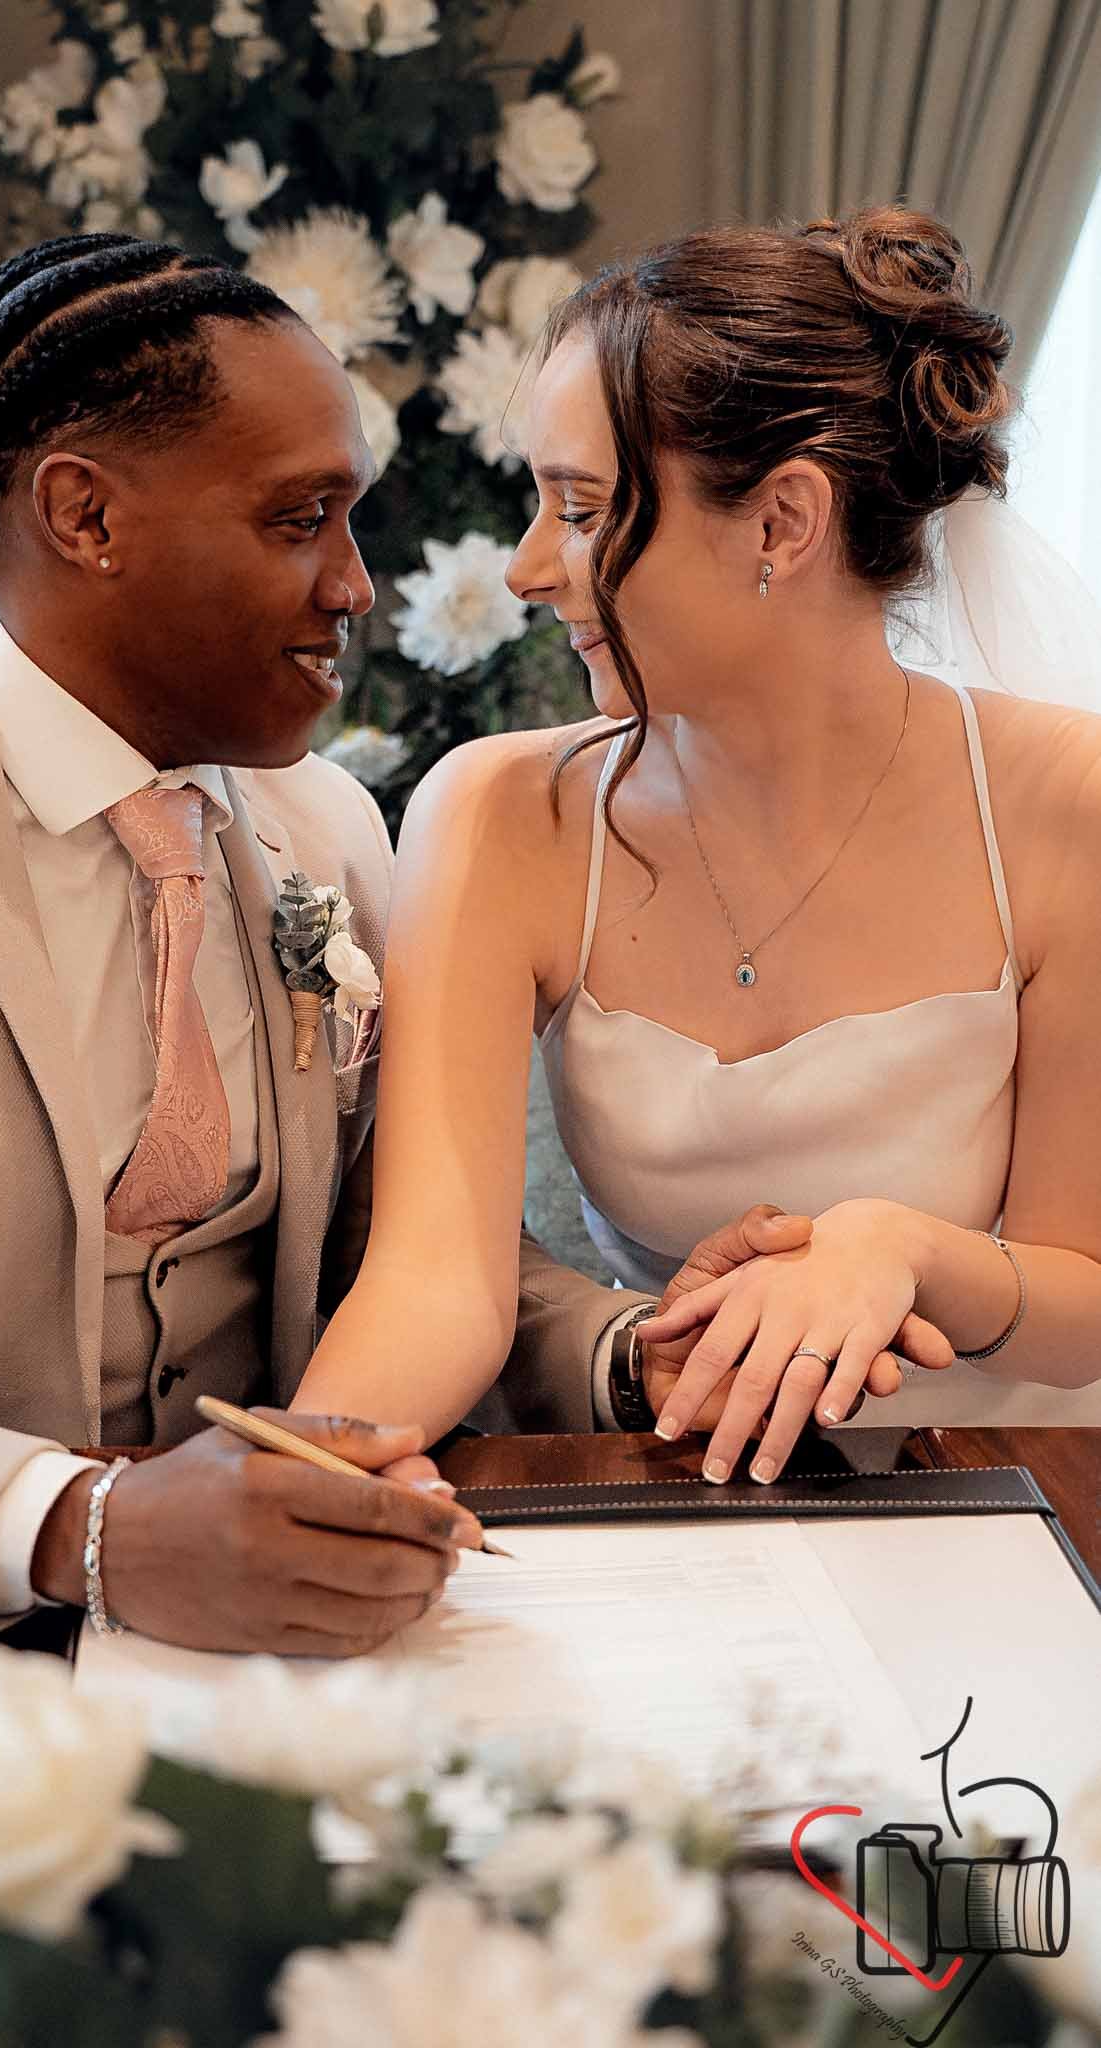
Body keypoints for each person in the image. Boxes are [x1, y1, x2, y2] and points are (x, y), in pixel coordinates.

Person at [0, 234, 797, 1656]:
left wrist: (621, 1351)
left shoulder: (327, 825)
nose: (357, 587)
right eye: (301, 519)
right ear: (84, 517)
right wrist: (76, 1525)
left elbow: (395, 1242)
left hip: (283, 1659)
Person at [290, 206, 1101, 1482]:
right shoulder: (502, 814)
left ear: (782, 523)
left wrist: (901, 1246)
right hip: (675, 1479)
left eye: (580, 507)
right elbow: (435, 1279)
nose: (525, 569)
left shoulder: (1067, 799)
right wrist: (306, 1474)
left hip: (1003, 1490)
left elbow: (1083, 1307)